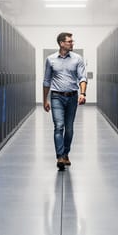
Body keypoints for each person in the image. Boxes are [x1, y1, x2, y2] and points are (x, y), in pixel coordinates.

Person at [42, 32, 88, 170]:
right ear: (61, 43)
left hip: (73, 96)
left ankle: (66, 153)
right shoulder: (50, 60)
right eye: (69, 41)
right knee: (59, 126)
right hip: (56, 96)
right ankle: (60, 156)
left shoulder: (77, 59)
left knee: (69, 129)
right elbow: (46, 81)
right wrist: (45, 100)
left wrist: (83, 93)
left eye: (72, 41)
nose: (72, 43)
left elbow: (83, 77)